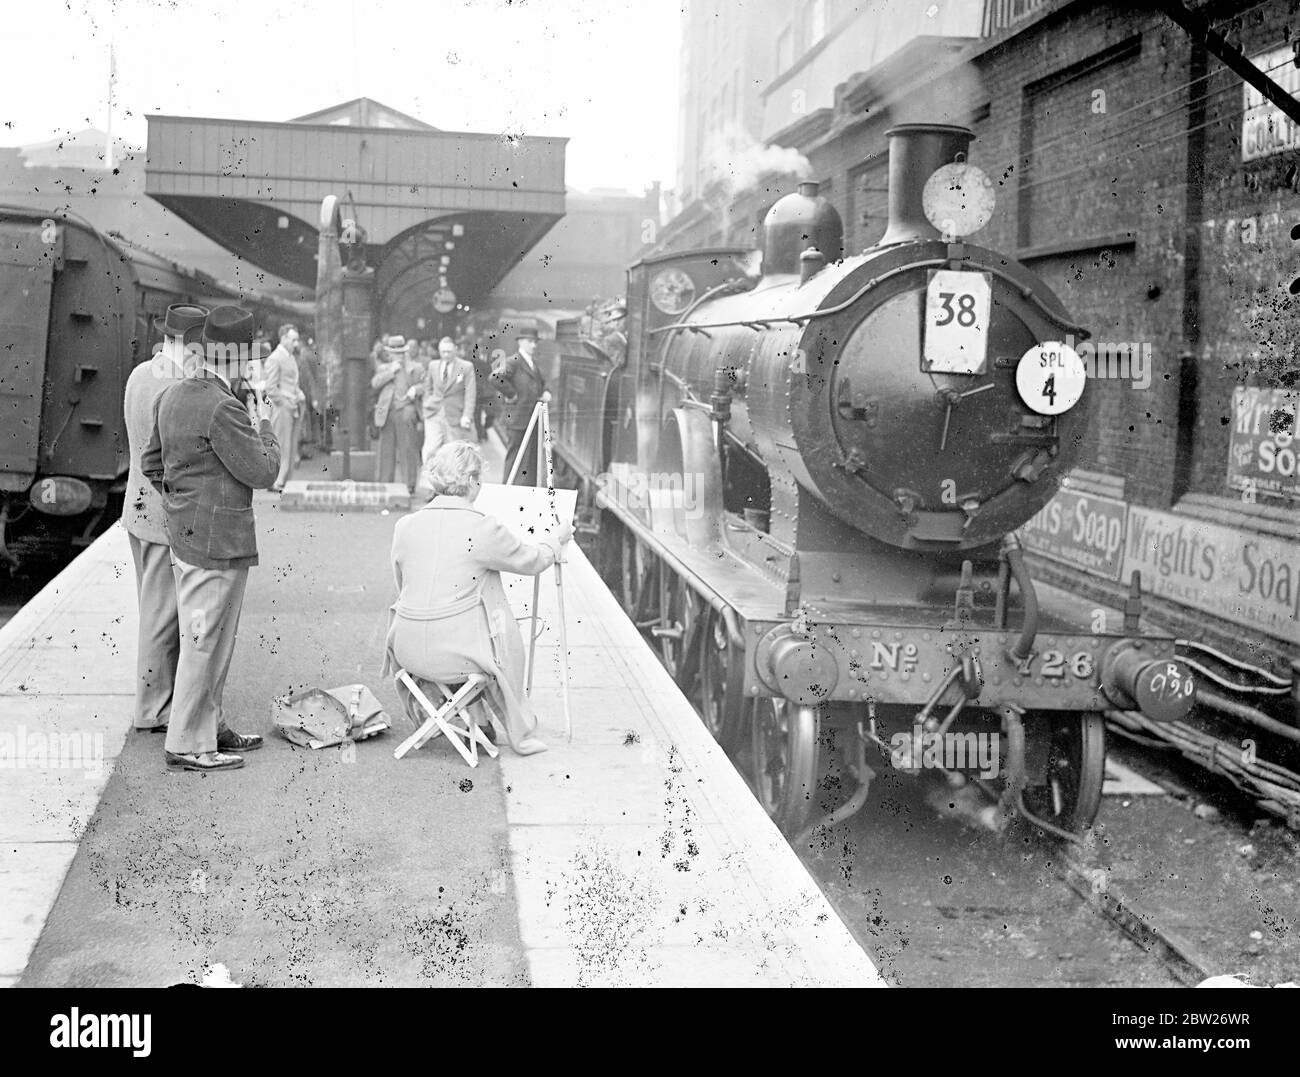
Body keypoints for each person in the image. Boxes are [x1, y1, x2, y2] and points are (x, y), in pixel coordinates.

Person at [141, 305, 280, 773]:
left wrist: (181, 501)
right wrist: (265, 421)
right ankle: (187, 743)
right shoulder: (225, 407)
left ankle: (210, 725)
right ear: (241, 358)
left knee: (208, 638)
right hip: (218, 541)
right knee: (205, 641)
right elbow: (262, 471)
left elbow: (151, 463)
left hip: (187, 535)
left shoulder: (174, 394)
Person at [383, 441, 573, 756]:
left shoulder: (405, 526)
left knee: (456, 606)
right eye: (479, 480)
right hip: (458, 656)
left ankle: (471, 714)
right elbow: (531, 561)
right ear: (471, 481)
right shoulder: (482, 528)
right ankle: (506, 724)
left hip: (407, 651)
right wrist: (555, 541)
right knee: (491, 621)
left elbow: (403, 584)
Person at [122, 303, 208, 733]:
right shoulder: (177, 388)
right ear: (192, 344)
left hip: (136, 508)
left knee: (151, 609)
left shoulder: (140, 374)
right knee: (161, 618)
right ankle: (152, 710)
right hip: (163, 514)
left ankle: (158, 700)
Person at [491, 324, 549, 484]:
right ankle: (508, 489)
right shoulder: (514, 361)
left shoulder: (532, 363)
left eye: (535, 342)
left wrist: (545, 391)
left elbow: (540, 383)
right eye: (530, 341)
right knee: (515, 457)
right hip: (518, 419)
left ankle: (523, 491)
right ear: (521, 342)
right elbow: (495, 377)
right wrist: (512, 394)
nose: (534, 345)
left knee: (528, 459)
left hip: (530, 419)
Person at [417, 336, 477, 479]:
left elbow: (470, 393)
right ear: (439, 351)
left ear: (455, 350)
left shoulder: (466, 367)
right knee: (430, 449)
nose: (446, 355)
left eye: (449, 352)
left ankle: (450, 486)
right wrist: (427, 401)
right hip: (434, 412)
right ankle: (431, 484)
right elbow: (428, 387)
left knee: (452, 452)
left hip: (454, 414)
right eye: (443, 352)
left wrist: (467, 415)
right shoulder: (433, 365)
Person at [371, 334, 424, 490]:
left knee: (408, 448)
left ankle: (409, 485)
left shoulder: (415, 368)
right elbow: (374, 384)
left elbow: (425, 385)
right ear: (389, 353)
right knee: (385, 450)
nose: (398, 356)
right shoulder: (384, 368)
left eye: (400, 352)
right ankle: (384, 484)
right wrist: (390, 372)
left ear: (405, 352)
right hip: (387, 412)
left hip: (406, 411)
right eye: (394, 353)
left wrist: (416, 389)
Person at [263, 324, 305, 491]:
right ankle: (275, 481)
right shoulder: (275, 358)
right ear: (283, 338)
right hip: (282, 408)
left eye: (296, 340)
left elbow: (291, 382)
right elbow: (270, 387)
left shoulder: (290, 357)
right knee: (280, 444)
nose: (296, 343)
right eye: (293, 340)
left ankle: (284, 479)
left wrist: (299, 393)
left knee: (289, 445)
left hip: (292, 406)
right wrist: (284, 401)